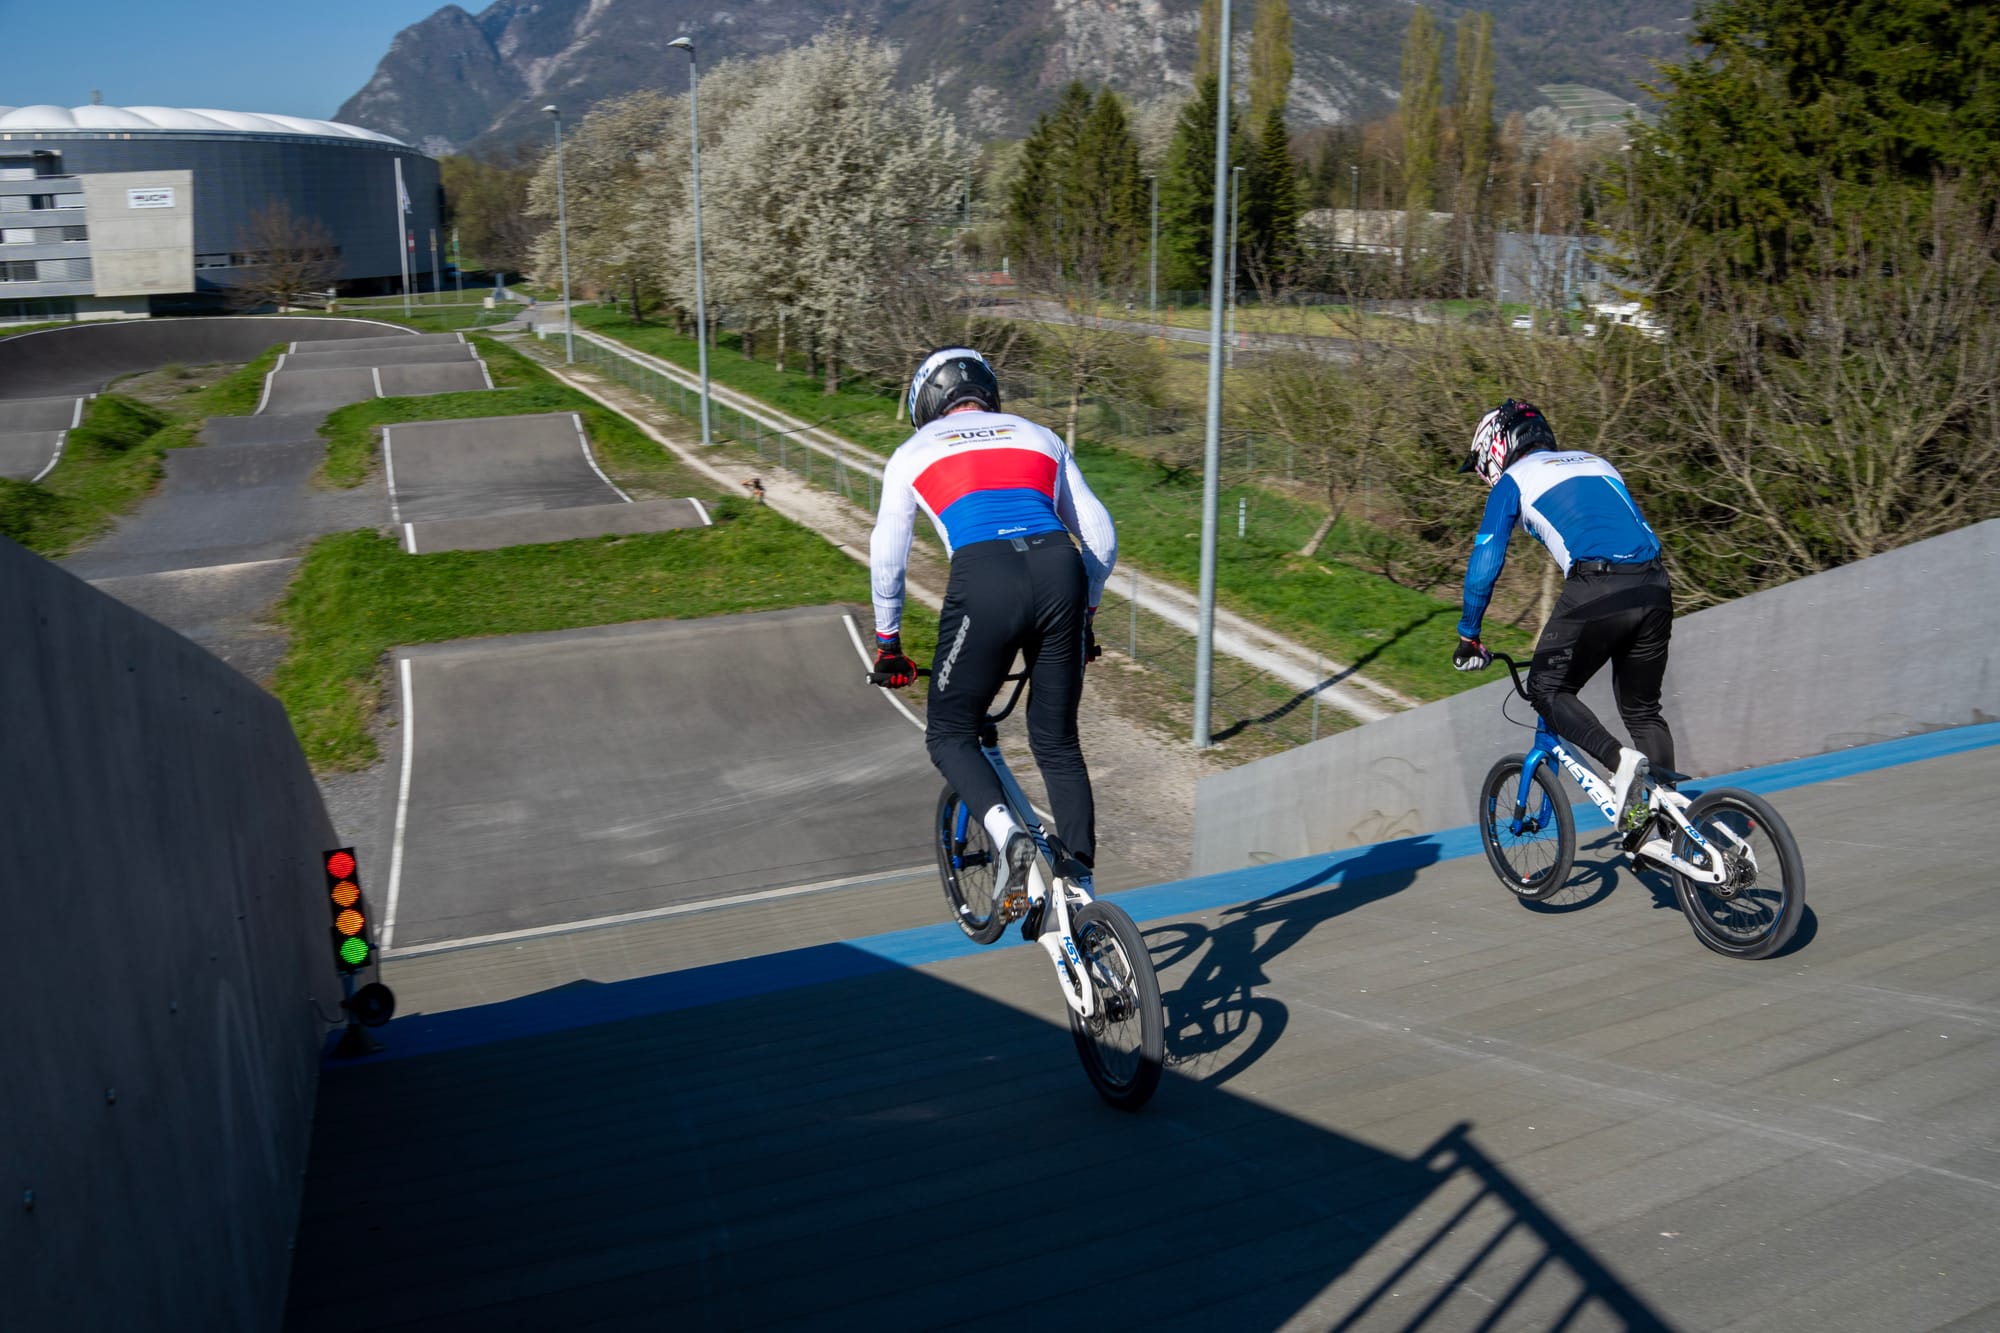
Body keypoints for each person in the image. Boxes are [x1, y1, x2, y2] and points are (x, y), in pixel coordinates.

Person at [868, 346, 1118, 918]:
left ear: (925, 404)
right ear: (988, 391)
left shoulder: (912, 453)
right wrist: (1084, 616)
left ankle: (1008, 838)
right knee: (1057, 741)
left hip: (985, 579)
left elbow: (888, 556)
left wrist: (889, 645)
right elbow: (1100, 538)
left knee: (949, 734)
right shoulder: (1039, 436)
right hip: (1060, 569)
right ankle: (1081, 892)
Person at [1453, 399, 1675, 842]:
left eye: (1480, 465)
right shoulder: (1598, 463)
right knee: (1643, 710)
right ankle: (1670, 826)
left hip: (1599, 585)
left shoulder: (1514, 481)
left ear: (1497, 447)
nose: (1483, 476)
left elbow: (1485, 563)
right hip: (1655, 585)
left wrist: (1469, 635)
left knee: (1546, 688)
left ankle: (1620, 763)